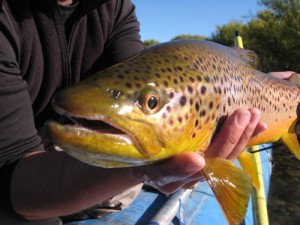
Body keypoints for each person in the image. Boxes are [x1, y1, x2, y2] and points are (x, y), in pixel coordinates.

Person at [0, 0, 271, 224]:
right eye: (151, 103)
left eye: (151, 103)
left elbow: (139, 78)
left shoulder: (114, 6)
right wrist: (142, 172)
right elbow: (11, 175)